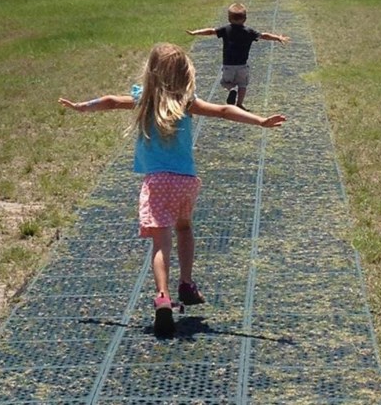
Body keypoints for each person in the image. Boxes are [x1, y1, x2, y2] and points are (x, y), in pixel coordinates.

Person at [58, 43, 286, 336]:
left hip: (157, 182)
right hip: (186, 181)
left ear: (151, 72)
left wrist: (83, 106)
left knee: (161, 243)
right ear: (184, 73)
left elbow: (111, 101)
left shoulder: (144, 98)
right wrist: (260, 121)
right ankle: (186, 283)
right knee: (185, 228)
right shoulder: (187, 102)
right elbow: (223, 110)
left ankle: (163, 296)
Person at [186, 2, 290, 110]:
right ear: (245, 19)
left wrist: (195, 32)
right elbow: (264, 35)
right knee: (243, 85)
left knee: (225, 82)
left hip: (228, 65)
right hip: (242, 65)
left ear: (229, 18)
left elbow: (211, 31)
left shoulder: (225, 29)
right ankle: (239, 104)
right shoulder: (249, 31)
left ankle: (232, 90)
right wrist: (277, 38)